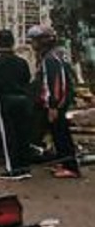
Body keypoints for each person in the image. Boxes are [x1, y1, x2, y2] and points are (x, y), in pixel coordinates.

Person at [28, 25, 81, 178]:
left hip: (56, 104)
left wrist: (53, 106)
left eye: (34, 41)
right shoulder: (57, 55)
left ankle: (71, 167)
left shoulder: (50, 59)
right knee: (57, 134)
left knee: (61, 134)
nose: (32, 45)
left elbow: (55, 83)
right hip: (59, 103)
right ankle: (64, 162)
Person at [0, 29, 34, 180]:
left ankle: (13, 169)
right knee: (22, 134)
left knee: (8, 135)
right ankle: (25, 167)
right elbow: (27, 80)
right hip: (22, 100)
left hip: (4, 99)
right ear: (13, 43)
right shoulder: (22, 62)